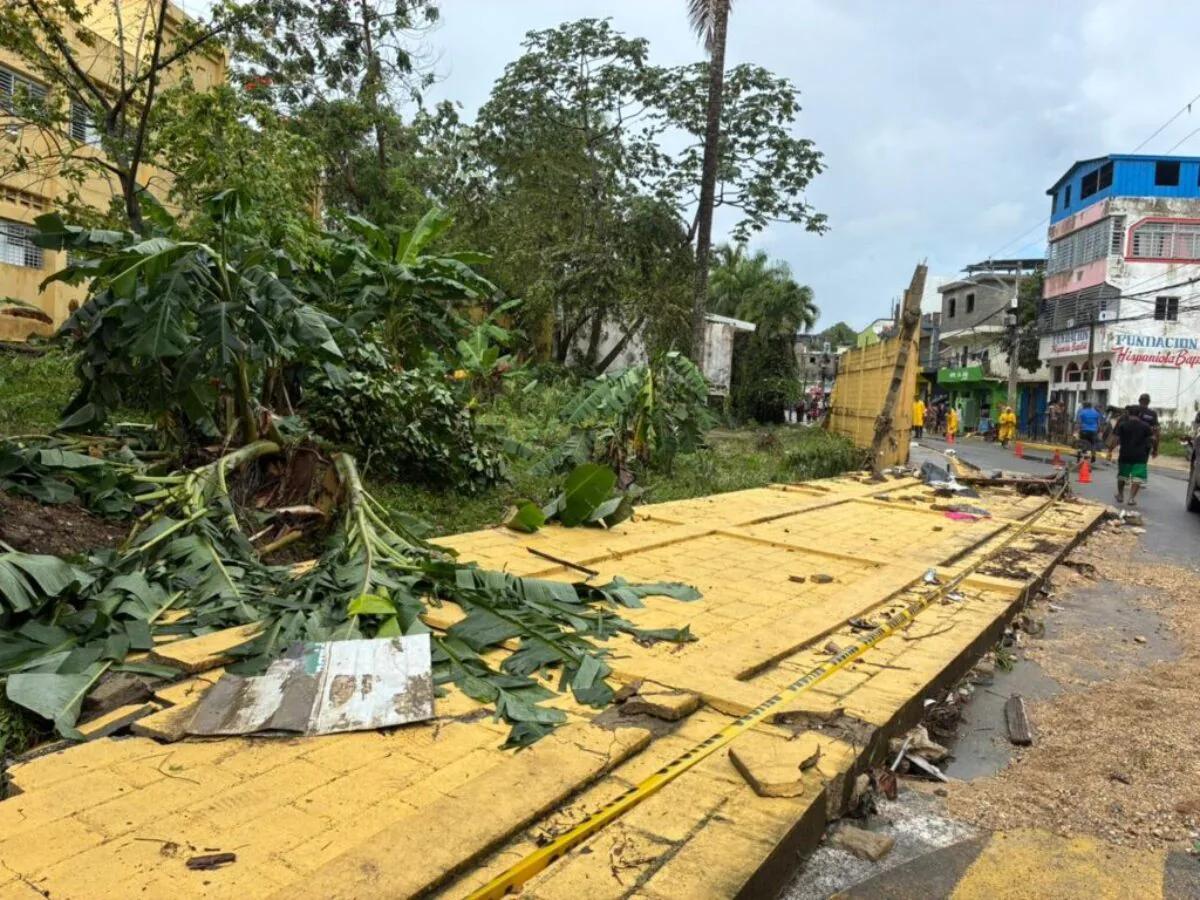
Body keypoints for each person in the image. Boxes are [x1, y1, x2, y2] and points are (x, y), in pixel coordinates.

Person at [1108, 404, 1154, 506]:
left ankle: (1120, 495)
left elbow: (1116, 439)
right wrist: (1154, 450)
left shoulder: (1123, 425)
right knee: (1137, 477)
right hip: (1140, 456)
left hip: (1125, 454)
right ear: (1140, 414)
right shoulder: (1145, 426)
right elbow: (1152, 439)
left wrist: (1110, 450)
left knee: (1122, 476)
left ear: (1128, 413)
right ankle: (1131, 499)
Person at [1136, 393, 1160, 459]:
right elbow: (1156, 432)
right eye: (1144, 401)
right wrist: (1155, 449)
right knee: (1141, 462)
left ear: (1139, 401)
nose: (1144, 402)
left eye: (1145, 401)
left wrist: (1155, 449)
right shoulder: (1152, 413)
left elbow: (1156, 431)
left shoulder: (1133, 410)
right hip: (1144, 443)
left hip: (1136, 443)